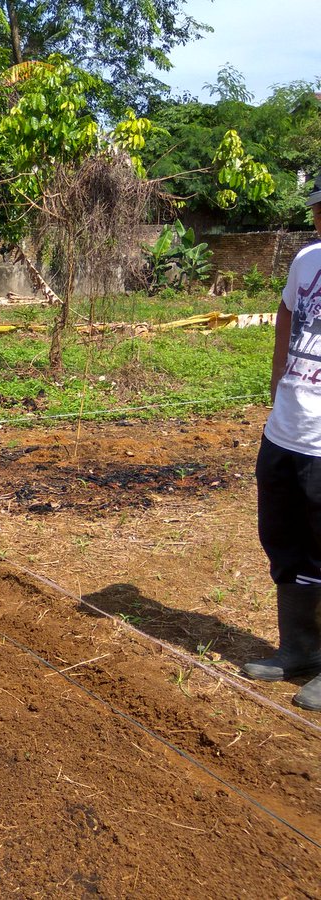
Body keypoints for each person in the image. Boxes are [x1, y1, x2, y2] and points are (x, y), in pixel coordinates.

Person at [242, 175, 321, 711]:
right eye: (318, 208)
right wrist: (278, 394)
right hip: (286, 430)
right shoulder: (307, 259)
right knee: (285, 542)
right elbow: (287, 318)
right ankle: (298, 649)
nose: (319, 218)